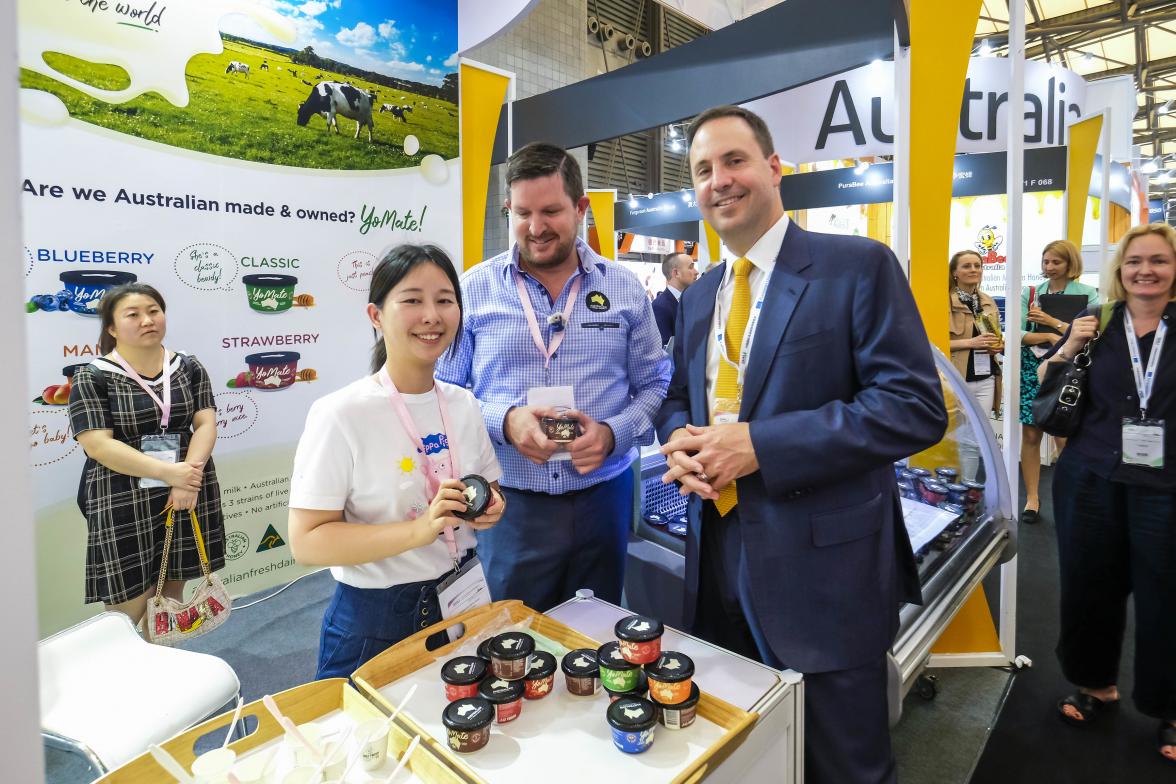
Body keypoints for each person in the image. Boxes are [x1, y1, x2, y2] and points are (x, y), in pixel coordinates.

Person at [655, 105, 946, 784]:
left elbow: (912, 409)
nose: (719, 180)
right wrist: (678, 439)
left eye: (734, 161)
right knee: (746, 755)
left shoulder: (857, 267)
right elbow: (678, 397)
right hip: (717, 559)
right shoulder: (699, 298)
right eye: (703, 170)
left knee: (846, 765)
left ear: (773, 168)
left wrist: (761, 444)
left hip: (827, 575)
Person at [436, 142, 670, 612]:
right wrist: (504, 421)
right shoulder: (473, 289)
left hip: (604, 494)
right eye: (522, 213)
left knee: (599, 630)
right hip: (511, 504)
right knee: (509, 634)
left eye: (551, 211)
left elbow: (656, 382)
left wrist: (613, 433)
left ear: (581, 207)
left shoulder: (623, 289)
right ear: (507, 210)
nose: (536, 228)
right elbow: (443, 392)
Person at [288, 244, 505, 679]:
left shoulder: (463, 405)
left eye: (445, 300)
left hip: (462, 600)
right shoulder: (341, 413)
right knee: (367, 742)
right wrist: (418, 530)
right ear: (376, 315)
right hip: (376, 621)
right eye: (412, 300)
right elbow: (307, 541)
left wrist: (492, 507)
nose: (432, 315)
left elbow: (489, 487)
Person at [1039, 223, 1176, 765]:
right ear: (1119, 271)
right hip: (1091, 476)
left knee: (1168, 596)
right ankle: (1095, 685)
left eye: (1159, 261)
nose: (1146, 270)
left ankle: (1170, 705)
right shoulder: (1096, 324)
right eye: (1135, 260)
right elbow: (1049, 383)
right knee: (1088, 586)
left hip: (1168, 486)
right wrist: (1070, 342)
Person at [68, 283, 224, 632]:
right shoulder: (92, 375)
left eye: (153, 311)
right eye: (133, 314)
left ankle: (165, 665)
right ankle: (121, 677)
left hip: (188, 483)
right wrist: (172, 474)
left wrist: (188, 478)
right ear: (111, 327)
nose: (147, 320)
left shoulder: (188, 367)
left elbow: (205, 422)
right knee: (128, 605)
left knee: (172, 589)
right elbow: (98, 445)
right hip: (123, 492)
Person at [1019, 239, 1098, 524]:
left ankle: (1069, 496)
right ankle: (1032, 498)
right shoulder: (1029, 293)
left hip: (1070, 371)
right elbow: (1017, 334)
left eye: (1056, 262)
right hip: (1032, 366)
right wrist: (1051, 337)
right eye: (1045, 261)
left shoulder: (1089, 294)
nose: (1049, 267)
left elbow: (1089, 334)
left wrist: (1052, 324)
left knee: (1064, 436)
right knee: (1030, 435)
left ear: (1070, 264)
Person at [948, 249, 1003, 480]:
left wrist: (998, 346)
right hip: (956, 379)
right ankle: (961, 488)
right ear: (954, 273)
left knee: (975, 437)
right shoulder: (945, 302)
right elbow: (931, 343)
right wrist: (970, 342)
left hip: (986, 378)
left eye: (977, 266)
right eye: (967, 266)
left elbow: (996, 337)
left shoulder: (987, 302)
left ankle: (968, 489)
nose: (973, 270)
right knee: (957, 437)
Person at [652, 253, 698, 345]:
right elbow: (665, 349)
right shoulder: (660, 307)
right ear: (676, 273)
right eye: (691, 267)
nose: (696, 272)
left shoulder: (693, 301)